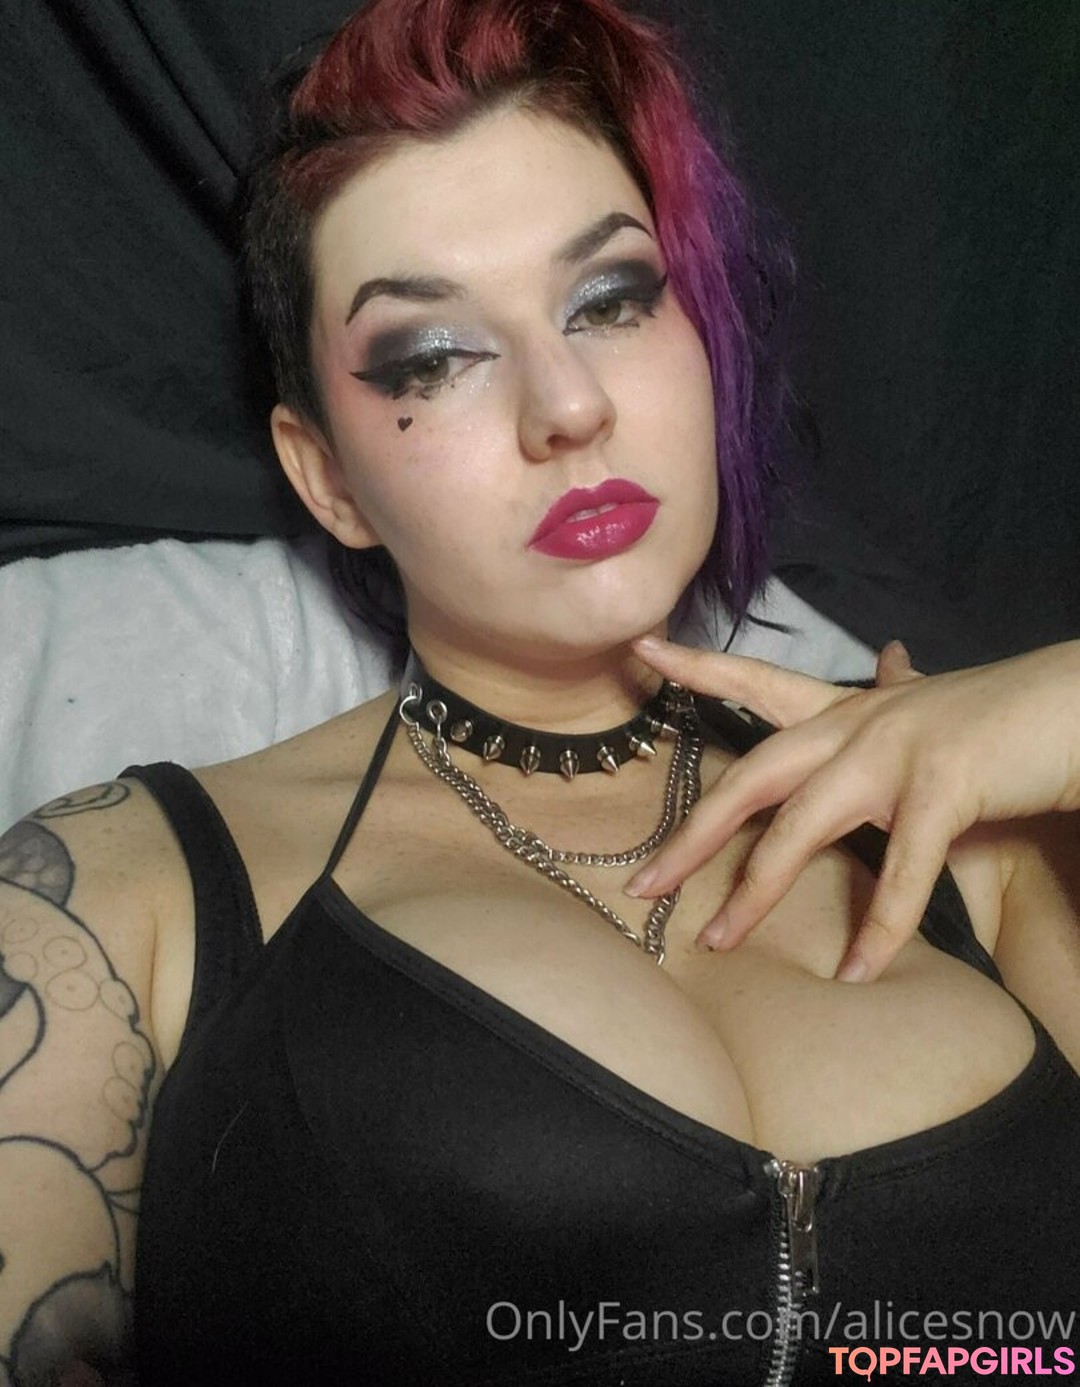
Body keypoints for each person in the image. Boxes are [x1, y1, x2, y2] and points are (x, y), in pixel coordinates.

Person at [1, 0, 1077, 1383]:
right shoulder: (114, 901)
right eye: (434, 356)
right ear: (327, 477)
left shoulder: (982, 835)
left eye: (611, 300)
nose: (567, 406)